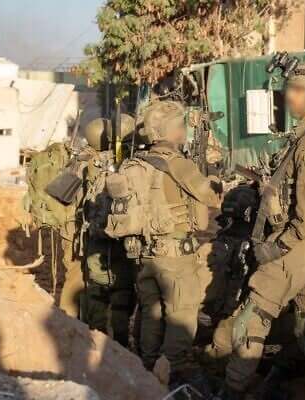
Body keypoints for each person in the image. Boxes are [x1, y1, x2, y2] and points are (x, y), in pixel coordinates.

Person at [221, 63, 305, 400]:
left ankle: (233, 388)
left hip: (299, 244)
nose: (287, 96)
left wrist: (277, 247)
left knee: (253, 317)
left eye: (295, 90)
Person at [134, 101, 222, 389]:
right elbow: (209, 197)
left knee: (152, 314)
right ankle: (177, 374)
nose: (184, 130)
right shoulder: (177, 163)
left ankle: (147, 371)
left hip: (145, 254)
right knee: (181, 316)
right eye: (181, 125)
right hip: (175, 256)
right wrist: (213, 180)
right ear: (170, 130)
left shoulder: (136, 163)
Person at [80, 116, 138, 347]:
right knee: (122, 297)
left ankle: (95, 343)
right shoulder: (133, 165)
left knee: (96, 294)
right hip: (123, 242)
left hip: (96, 241)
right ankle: (121, 347)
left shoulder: (87, 164)